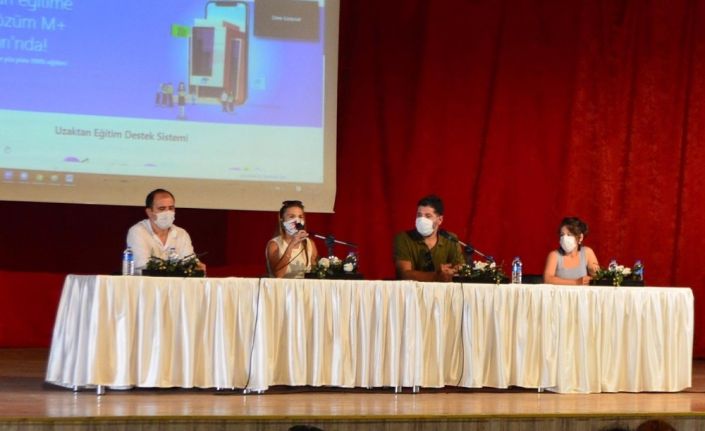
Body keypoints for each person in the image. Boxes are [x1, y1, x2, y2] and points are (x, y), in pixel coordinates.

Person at [126, 189, 206, 274]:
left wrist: (195, 267)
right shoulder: (137, 232)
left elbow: (189, 264)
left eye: (171, 208)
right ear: (149, 212)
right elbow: (144, 265)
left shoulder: (181, 233)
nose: (167, 212)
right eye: (162, 209)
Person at [394, 195, 465, 281]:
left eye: (428, 216)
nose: (421, 220)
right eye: (419, 215)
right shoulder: (403, 238)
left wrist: (453, 271)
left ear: (440, 220)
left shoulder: (450, 239)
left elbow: (460, 270)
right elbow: (404, 274)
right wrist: (436, 276)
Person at [266, 200, 319, 278]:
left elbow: (315, 274)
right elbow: (278, 275)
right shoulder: (274, 244)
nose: (297, 220)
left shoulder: (309, 243)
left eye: (300, 217)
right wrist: (291, 245)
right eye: (291, 216)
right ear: (282, 220)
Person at [543, 216, 599, 285]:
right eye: (562, 235)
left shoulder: (587, 252)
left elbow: (598, 276)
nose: (564, 238)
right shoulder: (554, 255)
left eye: (569, 235)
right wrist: (576, 282)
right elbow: (547, 279)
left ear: (580, 237)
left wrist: (592, 278)